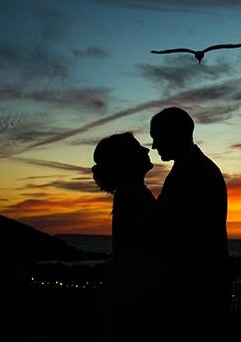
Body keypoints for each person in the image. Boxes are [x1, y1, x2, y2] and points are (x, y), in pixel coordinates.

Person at [150, 107, 229, 337]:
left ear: (174, 134)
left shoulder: (195, 172)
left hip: (194, 291)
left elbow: (183, 234)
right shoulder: (192, 168)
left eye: (157, 137)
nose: (154, 146)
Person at [91, 132, 159, 340]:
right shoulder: (133, 196)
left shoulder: (130, 194)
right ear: (127, 159)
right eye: (139, 148)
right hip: (135, 301)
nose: (147, 150)